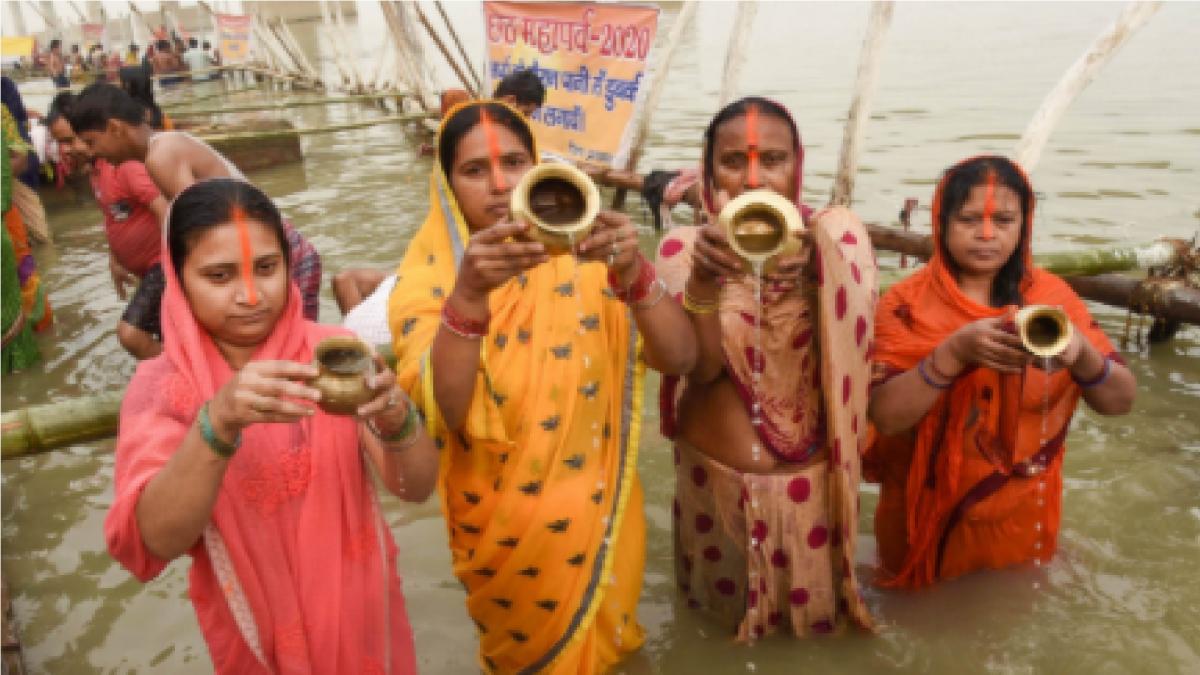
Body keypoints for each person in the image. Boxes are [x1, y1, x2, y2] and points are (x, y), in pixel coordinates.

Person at [389, 100, 696, 673]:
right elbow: (441, 414)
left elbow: (679, 358)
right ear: (447, 184)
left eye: (514, 162)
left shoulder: (588, 258)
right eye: (475, 170)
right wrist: (469, 298)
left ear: (537, 167)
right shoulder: (426, 282)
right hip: (504, 538)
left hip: (603, 516)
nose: (501, 185)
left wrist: (634, 274)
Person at [105, 178, 436, 673]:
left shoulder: (334, 352)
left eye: (266, 268)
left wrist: (396, 415)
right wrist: (218, 422)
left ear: (288, 263)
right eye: (219, 276)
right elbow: (155, 541)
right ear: (178, 279)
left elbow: (415, 487)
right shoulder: (163, 386)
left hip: (359, 609)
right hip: (252, 632)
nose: (251, 296)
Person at [653, 97, 876, 639]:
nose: (754, 179)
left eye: (772, 160)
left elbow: (858, 348)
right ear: (709, 172)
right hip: (716, 488)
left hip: (811, 491)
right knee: (712, 637)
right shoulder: (685, 248)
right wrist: (705, 283)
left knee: (817, 641)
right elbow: (700, 370)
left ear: (797, 166)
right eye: (733, 162)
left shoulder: (837, 237)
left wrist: (819, 266)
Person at [865, 155, 1136, 589]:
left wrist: (1081, 353)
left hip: (1022, 522)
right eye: (968, 219)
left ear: (1024, 226)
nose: (987, 234)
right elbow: (886, 417)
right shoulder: (905, 304)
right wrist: (953, 353)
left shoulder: (1051, 297)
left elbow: (1120, 401)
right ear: (940, 221)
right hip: (920, 523)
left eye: (1004, 220)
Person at [67, 83, 322, 321]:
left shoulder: (161, 157)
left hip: (277, 262)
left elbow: (207, 236)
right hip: (271, 258)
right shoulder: (165, 145)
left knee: (290, 354)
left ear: (115, 128)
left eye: (92, 141)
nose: (91, 152)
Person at [47, 93, 169, 359]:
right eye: (59, 143)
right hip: (149, 271)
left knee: (131, 334)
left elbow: (164, 206)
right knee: (165, 334)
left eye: (72, 140)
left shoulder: (122, 167)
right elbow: (113, 216)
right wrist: (115, 258)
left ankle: (180, 380)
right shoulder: (98, 171)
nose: (66, 150)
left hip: (162, 265)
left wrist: (173, 266)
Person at [2, 105, 51, 339]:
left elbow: (20, 157)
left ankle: (39, 335)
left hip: (3, 206)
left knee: (24, 275)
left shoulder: (1, 113)